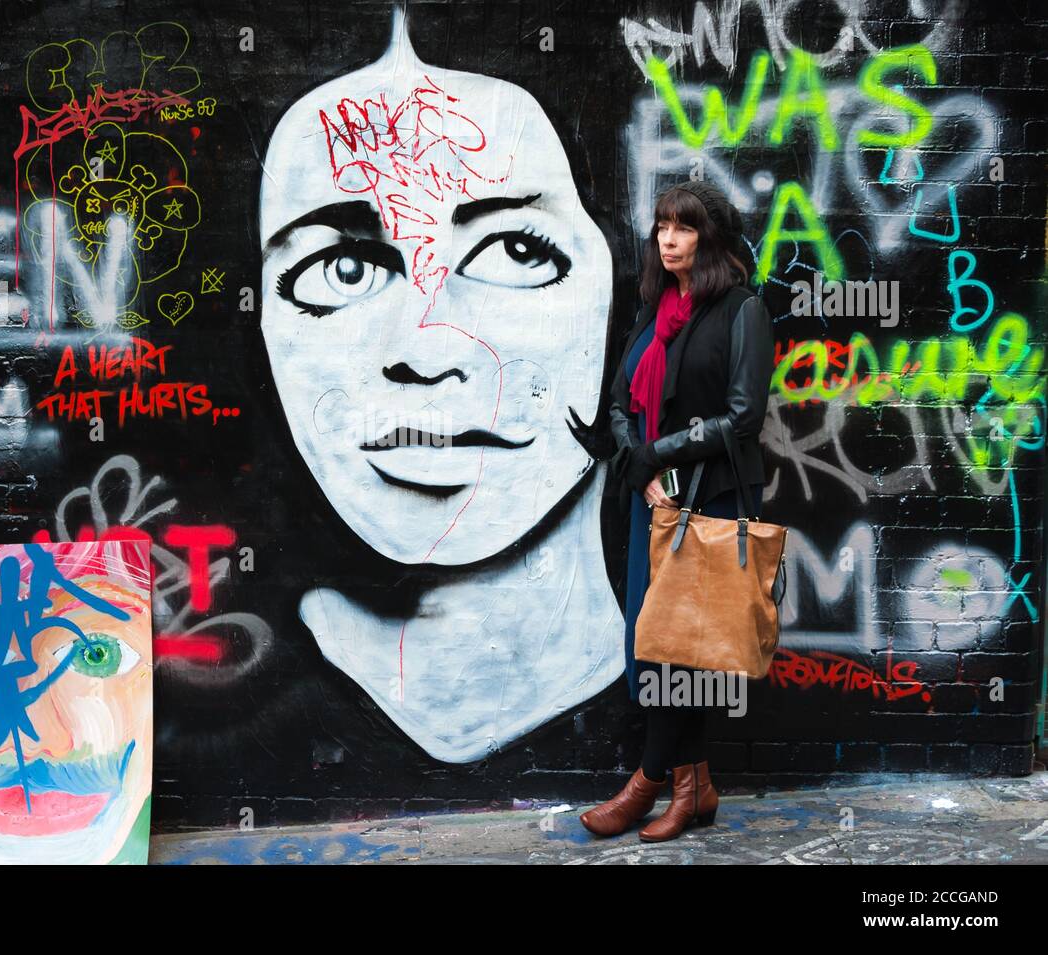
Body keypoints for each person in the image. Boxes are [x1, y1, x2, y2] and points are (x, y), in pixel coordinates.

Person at [255, 7, 628, 763]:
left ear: (620, 284)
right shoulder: (237, 692)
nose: (422, 349)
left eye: (518, 250)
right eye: (344, 269)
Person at [580, 180, 773, 842]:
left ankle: (648, 783)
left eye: (683, 227)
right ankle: (696, 787)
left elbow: (745, 416)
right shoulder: (653, 306)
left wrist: (659, 452)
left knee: (681, 653)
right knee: (661, 644)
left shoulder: (741, 309)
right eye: (661, 224)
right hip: (655, 505)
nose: (667, 238)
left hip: (709, 502)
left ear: (709, 238)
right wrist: (641, 467)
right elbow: (617, 402)